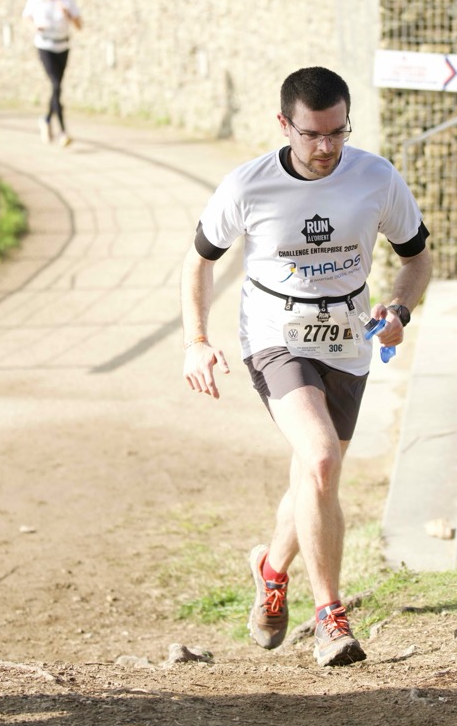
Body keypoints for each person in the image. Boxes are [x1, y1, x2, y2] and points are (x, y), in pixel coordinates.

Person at [180, 66, 432, 667]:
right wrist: (197, 339)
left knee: (313, 476)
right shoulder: (249, 186)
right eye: (313, 134)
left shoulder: (375, 177)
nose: (326, 147)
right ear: (284, 125)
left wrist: (399, 308)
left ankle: (271, 570)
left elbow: (418, 259)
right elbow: (198, 261)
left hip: (349, 338)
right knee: (321, 458)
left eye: (338, 132)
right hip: (276, 335)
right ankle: (330, 618)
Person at [22, 0, 82, 147]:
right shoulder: (36, 0)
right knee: (56, 85)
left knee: (57, 87)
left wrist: (68, 15)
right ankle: (63, 131)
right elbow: (25, 19)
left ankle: (47, 119)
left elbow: (79, 25)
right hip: (45, 45)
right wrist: (34, 27)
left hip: (62, 46)